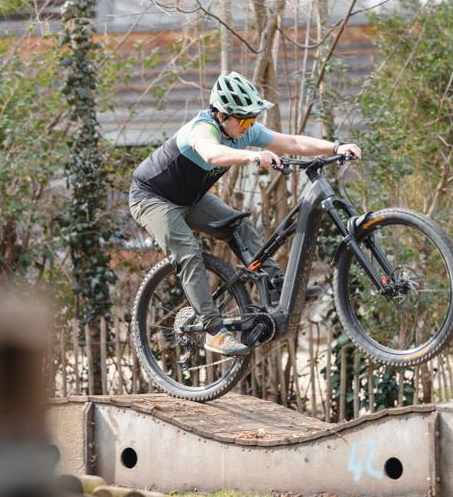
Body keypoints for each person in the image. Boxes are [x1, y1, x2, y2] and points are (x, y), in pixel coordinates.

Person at [128, 72, 362, 356]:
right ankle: (213, 332)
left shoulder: (243, 130)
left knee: (238, 226)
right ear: (221, 115)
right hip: (152, 198)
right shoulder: (202, 130)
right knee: (187, 250)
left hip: (190, 198)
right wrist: (253, 156)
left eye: (252, 120)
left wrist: (336, 146)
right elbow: (212, 154)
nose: (249, 126)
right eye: (244, 120)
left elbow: (292, 143)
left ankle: (276, 285)